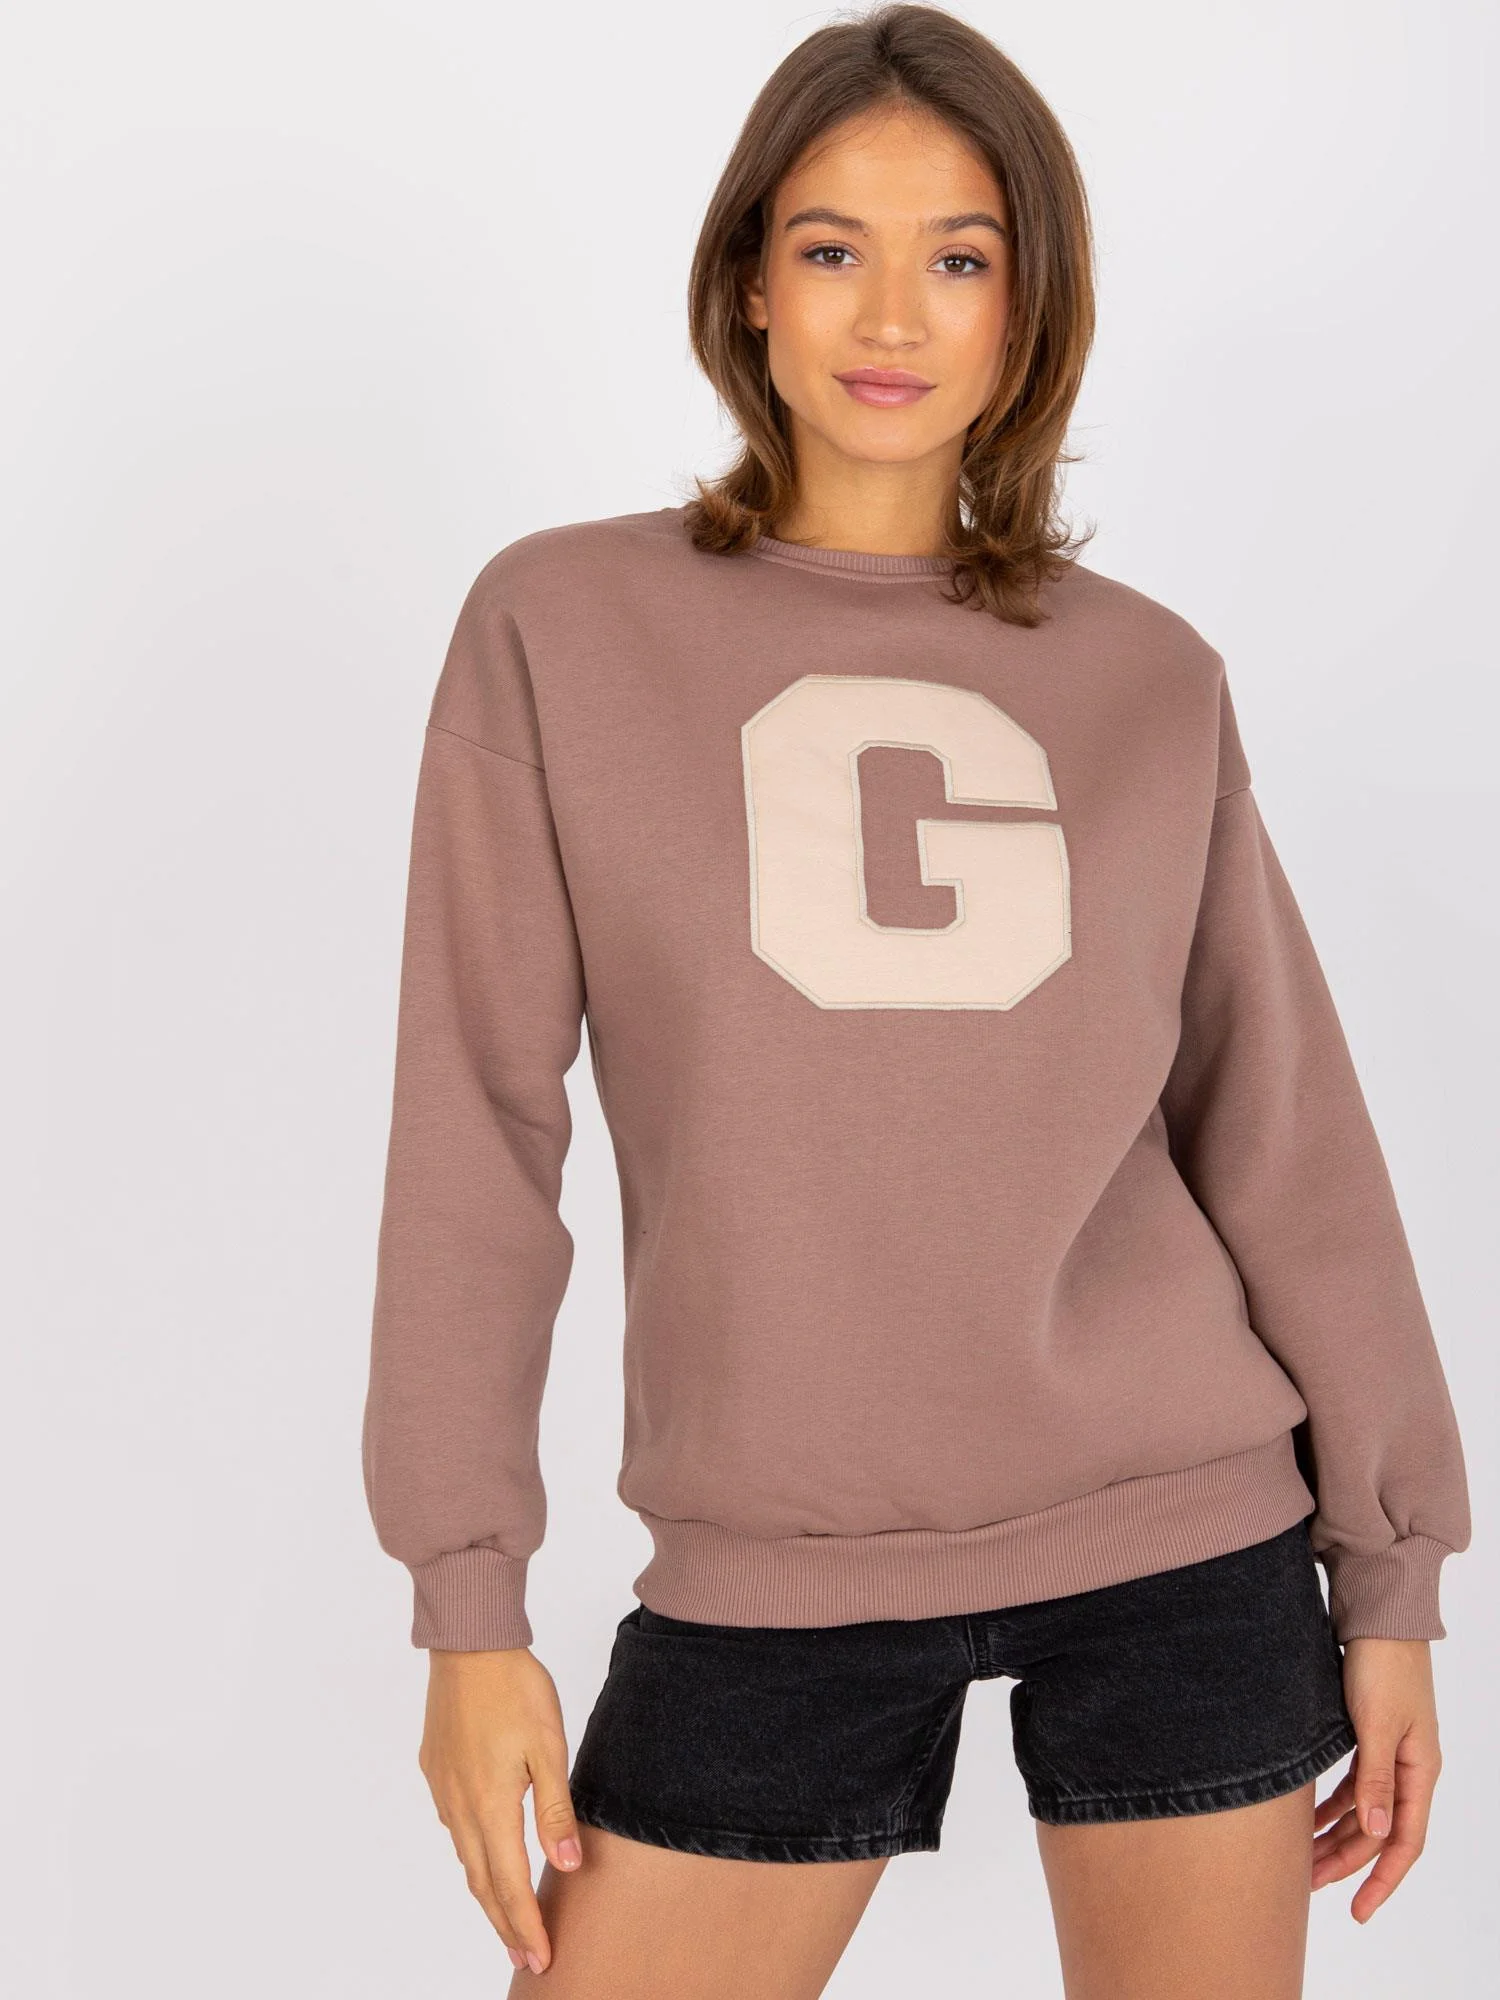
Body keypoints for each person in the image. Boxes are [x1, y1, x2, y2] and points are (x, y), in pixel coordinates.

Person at [360, 7, 1471, 1993]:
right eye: (831, 247)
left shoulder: (1149, 678)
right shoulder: (560, 627)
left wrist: (1391, 1577)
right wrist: (469, 1606)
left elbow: (1281, 1134)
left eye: (961, 256)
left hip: (1181, 1538)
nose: (893, 314)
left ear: (1028, 309)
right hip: (773, 1558)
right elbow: (479, 1128)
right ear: (749, 283)